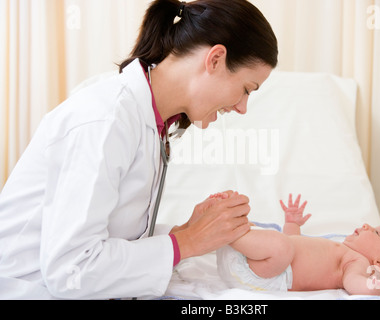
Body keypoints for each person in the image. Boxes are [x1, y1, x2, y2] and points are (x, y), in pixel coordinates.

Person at [0, 0, 277, 299]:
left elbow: (111, 238)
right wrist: (188, 242)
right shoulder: (106, 119)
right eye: (247, 89)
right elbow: (72, 272)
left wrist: (184, 232)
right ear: (215, 59)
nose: (242, 107)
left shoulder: (152, 122)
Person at [216, 194, 380, 295]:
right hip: (254, 261)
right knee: (282, 243)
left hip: (263, 274)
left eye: (377, 232)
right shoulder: (340, 247)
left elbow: (353, 284)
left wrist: (374, 288)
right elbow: (294, 243)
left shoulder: (358, 264)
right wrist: (292, 224)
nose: (367, 225)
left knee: (281, 246)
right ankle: (231, 227)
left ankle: (226, 230)